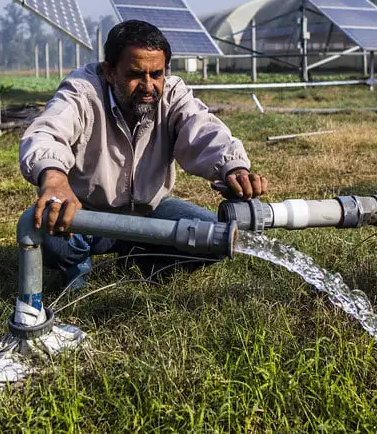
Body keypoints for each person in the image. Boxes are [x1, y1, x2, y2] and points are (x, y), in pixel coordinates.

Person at [19, 20, 268, 290]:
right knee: (47, 229)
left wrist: (234, 168)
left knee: (217, 238)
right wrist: (55, 181)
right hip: (88, 215)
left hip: (150, 213)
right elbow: (47, 133)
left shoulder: (173, 95)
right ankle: (77, 261)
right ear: (110, 72)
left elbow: (204, 131)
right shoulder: (83, 91)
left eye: (157, 74)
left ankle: (143, 258)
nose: (148, 86)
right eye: (135, 75)